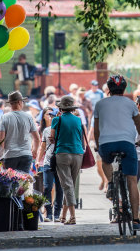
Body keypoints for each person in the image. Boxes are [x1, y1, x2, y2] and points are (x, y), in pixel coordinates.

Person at [93, 75, 140, 231]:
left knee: (105, 161)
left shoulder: (99, 104)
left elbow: (97, 129)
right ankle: (136, 220)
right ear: (124, 89)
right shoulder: (131, 104)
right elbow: (139, 125)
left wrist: (98, 145)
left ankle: (110, 182)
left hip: (106, 143)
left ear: (109, 89)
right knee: (132, 180)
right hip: (127, 143)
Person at [50, 95, 85, 225]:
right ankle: (63, 216)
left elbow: (52, 137)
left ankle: (73, 216)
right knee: (70, 185)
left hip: (62, 154)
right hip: (78, 154)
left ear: (61, 108)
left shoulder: (56, 120)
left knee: (67, 185)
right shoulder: (78, 120)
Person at [0, 91, 41, 172]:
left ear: (10, 103)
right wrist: (34, 151)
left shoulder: (5, 117)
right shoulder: (28, 117)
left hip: (10, 155)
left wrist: (0, 157)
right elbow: (37, 138)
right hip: (26, 155)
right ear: (19, 102)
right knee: (24, 182)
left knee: (10, 182)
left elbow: (1, 139)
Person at [37, 107, 63, 222]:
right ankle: (48, 213)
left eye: (54, 116)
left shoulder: (63, 129)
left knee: (59, 188)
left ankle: (57, 214)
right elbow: (43, 146)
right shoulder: (46, 130)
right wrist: (38, 160)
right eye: (51, 116)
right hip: (48, 161)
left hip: (61, 161)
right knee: (47, 187)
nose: (52, 118)